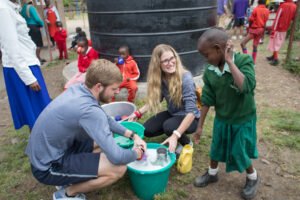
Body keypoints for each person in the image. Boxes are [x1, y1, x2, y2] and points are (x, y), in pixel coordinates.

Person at [26, 59, 146, 200]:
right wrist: (137, 153)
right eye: (114, 89)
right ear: (99, 86)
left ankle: (69, 177)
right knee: (119, 169)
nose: (117, 92)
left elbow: (105, 119)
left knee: (99, 142)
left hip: (50, 152)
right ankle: (68, 193)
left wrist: (132, 135)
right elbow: (117, 157)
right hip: (47, 167)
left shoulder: (79, 89)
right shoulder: (89, 110)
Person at [193, 28, 259, 200]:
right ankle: (212, 173)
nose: (205, 60)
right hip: (223, 118)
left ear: (218, 48)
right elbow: (207, 99)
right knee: (216, 147)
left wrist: (230, 62)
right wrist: (200, 126)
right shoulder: (210, 71)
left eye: (207, 55)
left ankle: (253, 177)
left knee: (240, 151)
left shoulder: (244, 61)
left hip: (242, 119)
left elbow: (246, 87)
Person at [128, 44, 200, 154]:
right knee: (147, 130)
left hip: (191, 118)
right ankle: (173, 130)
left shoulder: (186, 78)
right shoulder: (162, 77)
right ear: (158, 64)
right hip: (173, 113)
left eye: (172, 58)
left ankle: (186, 142)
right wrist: (138, 113)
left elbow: (191, 112)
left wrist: (175, 135)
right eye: (165, 61)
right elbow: (156, 99)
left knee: (169, 126)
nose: (170, 63)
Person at [0, 0, 51, 130]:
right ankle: (40, 145)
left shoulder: (13, 7)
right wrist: (28, 77)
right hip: (22, 67)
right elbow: (11, 47)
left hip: (26, 62)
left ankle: (40, 143)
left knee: (37, 110)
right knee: (36, 111)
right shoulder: (4, 9)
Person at [266, 0, 297, 66]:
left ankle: (276, 59)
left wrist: (274, 28)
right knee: (278, 42)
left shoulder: (283, 5)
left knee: (275, 42)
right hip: (285, 27)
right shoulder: (294, 6)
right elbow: (294, 18)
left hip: (278, 27)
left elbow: (277, 17)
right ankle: (274, 56)